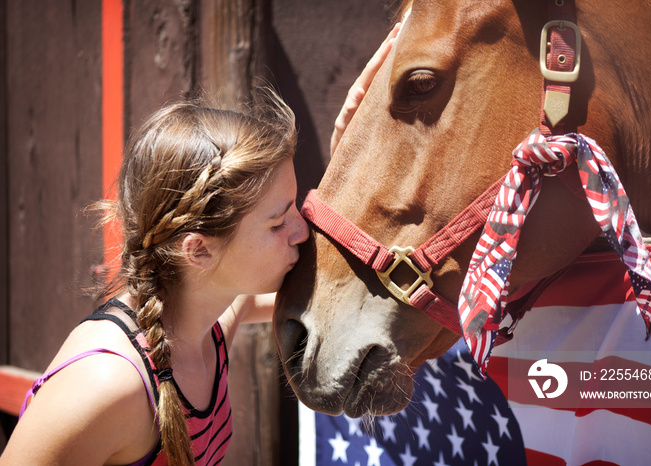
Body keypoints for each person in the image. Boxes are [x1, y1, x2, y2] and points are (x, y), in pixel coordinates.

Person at [0, 22, 400, 466]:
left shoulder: (213, 314)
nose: (300, 230)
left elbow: (330, 300)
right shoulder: (106, 383)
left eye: (293, 207)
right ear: (199, 250)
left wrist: (355, 144)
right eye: (276, 222)